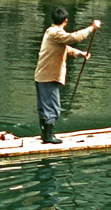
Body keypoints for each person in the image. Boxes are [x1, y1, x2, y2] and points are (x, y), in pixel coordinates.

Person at [34, 8, 101, 144]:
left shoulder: (51, 32)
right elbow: (73, 38)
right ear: (66, 21)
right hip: (49, 77)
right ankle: (48, 137)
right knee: (53, 108)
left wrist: (80, 53)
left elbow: (64, 48)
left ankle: (45, 134)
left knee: (45, 107)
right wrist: (91, 28)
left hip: (43, 76)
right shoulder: (56, 33)